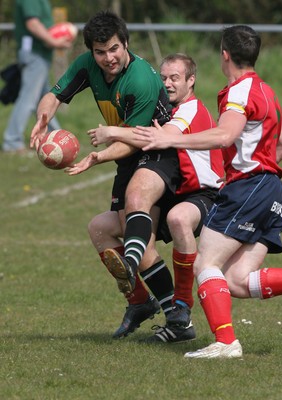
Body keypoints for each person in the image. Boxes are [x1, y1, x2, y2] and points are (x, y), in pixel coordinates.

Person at [133, 25, 282, 357]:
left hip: (249, 187)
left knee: (205, 263)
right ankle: (225, 341)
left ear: (225, 55)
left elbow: (224, 136)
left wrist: (171, 138)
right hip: (272, 191)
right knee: (237, 281)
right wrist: (262, 170)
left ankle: (226, 342)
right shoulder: (267, 91)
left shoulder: (238, 92)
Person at [30, 10, 177, 339]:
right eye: (100, 51)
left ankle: (177, 314)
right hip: (128, 154)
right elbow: (55, 95)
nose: (108, 57)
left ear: (125, 43)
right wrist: (42, 119)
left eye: (113, 48)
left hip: (158, 151)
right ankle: (140, 302)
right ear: (91, 52)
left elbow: (135, 140)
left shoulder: (139, 78)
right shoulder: (87, 65)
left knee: (136, 226)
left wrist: (96, 157)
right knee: (100, 230)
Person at [86, 53, 224, 342]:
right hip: (175, 192)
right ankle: (144, 303)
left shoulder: (190, 109)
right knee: (101, 227)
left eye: (175, 78)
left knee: (178, 218)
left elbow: (158, 138)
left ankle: (182, 308)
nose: (167, 84)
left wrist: (112, 131)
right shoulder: (163, 111)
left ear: (191, 80)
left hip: (204, 194)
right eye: (163, 78)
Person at [2, 0, 72, 153]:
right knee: (28, 99)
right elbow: (32, 23)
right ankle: (12, 141)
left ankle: (54, 137)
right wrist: (53, 41)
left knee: (46, 99)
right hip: (34, 55)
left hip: (40, 55)